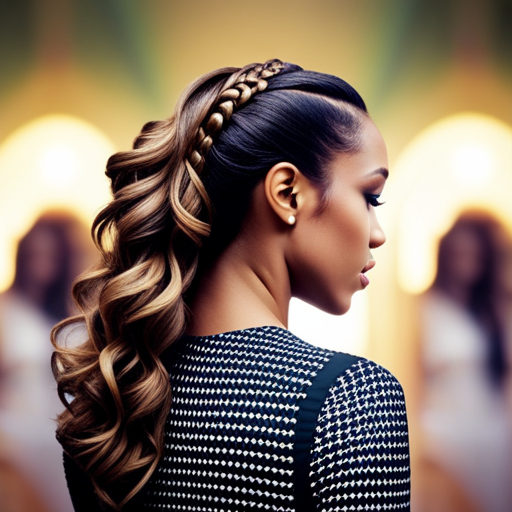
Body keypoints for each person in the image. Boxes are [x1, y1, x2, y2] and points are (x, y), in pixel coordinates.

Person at [52, 59, 411, 511]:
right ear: (287, 193)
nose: (377, 232)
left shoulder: (110, 403)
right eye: (369, 197)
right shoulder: (349, 402)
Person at [419, 212, 512, 512]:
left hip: (491, 434)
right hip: (444, 436)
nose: (466, 265)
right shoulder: (425, 307)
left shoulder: (493, 309)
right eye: (459, 255)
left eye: (475, 257)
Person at [0, 212, 91, 512]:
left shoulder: (71, 314)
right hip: (18, 436)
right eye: (35, 256)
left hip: (62, 431)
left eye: (51, 257)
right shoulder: (6, 309)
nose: (42, 266)